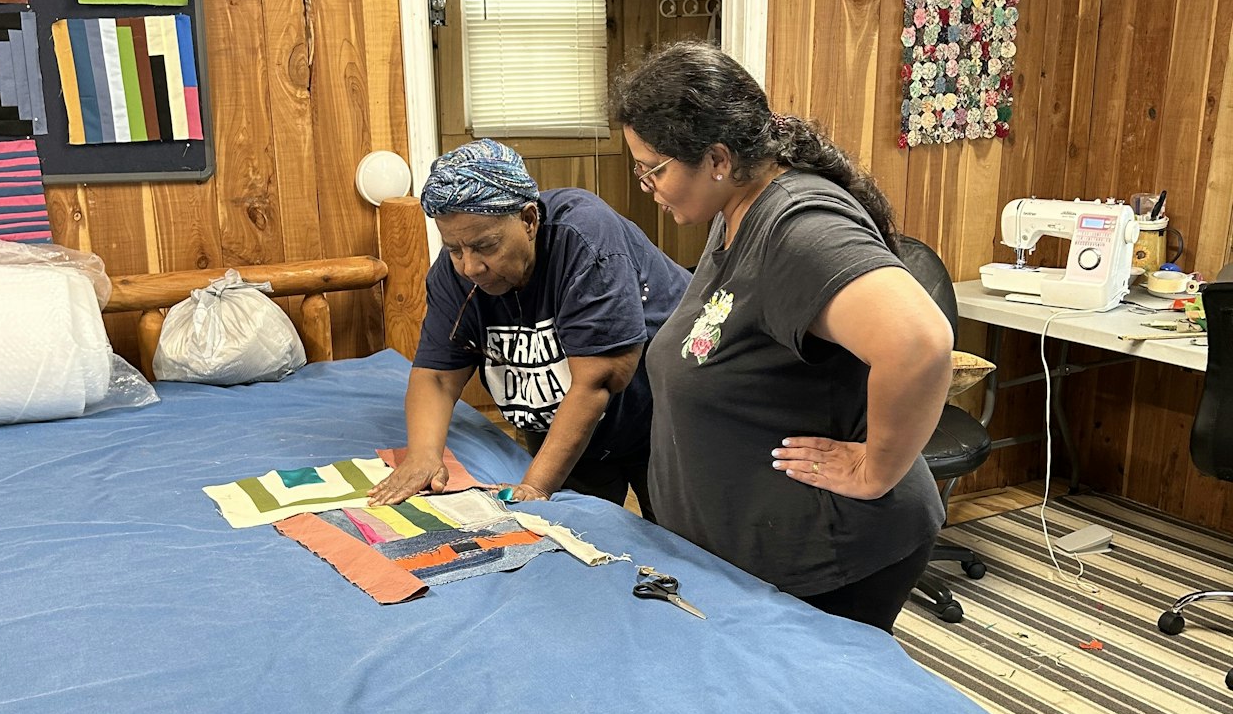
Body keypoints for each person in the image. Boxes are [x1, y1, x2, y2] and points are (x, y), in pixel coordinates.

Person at [609, 40, 953, 632]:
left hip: (829, 558)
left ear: (717, 158)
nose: (646, 185)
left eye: (653, 168)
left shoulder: (797, 227)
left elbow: (919, 343)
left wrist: (875, 469)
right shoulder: (735, 212)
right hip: (754, 558)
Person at [369, 138, 689, 519]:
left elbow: (597, 381)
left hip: (663, 417)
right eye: (454, 249)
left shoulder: (585, 239)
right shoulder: (454, 276)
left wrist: (535, 486)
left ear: (529, 220)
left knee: (678, 538)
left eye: (486, 246)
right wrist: (422, 456)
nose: (470, 267)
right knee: (575, 533)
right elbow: (437, 376)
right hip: (568, 427)